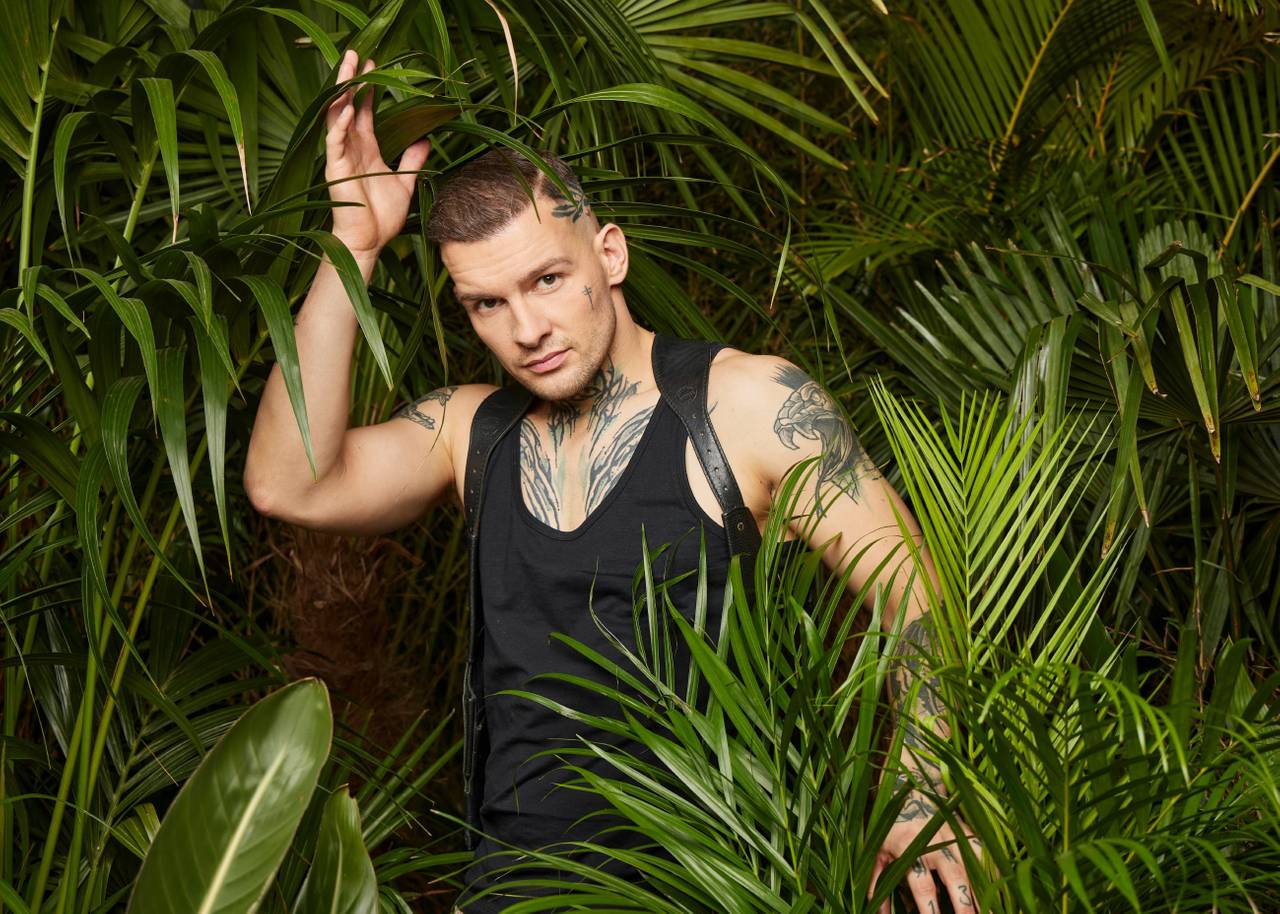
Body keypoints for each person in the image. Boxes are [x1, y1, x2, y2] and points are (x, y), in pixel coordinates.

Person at [243, 50, 981, 913]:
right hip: (515, 893)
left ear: (611, 254)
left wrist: (923, 788)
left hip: (713, 886)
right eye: (487, 304)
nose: (526, 328)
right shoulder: (469, 432)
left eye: (547, 280)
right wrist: (355, 245)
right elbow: (289, 484)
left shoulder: (747, 405)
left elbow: (914, 595)